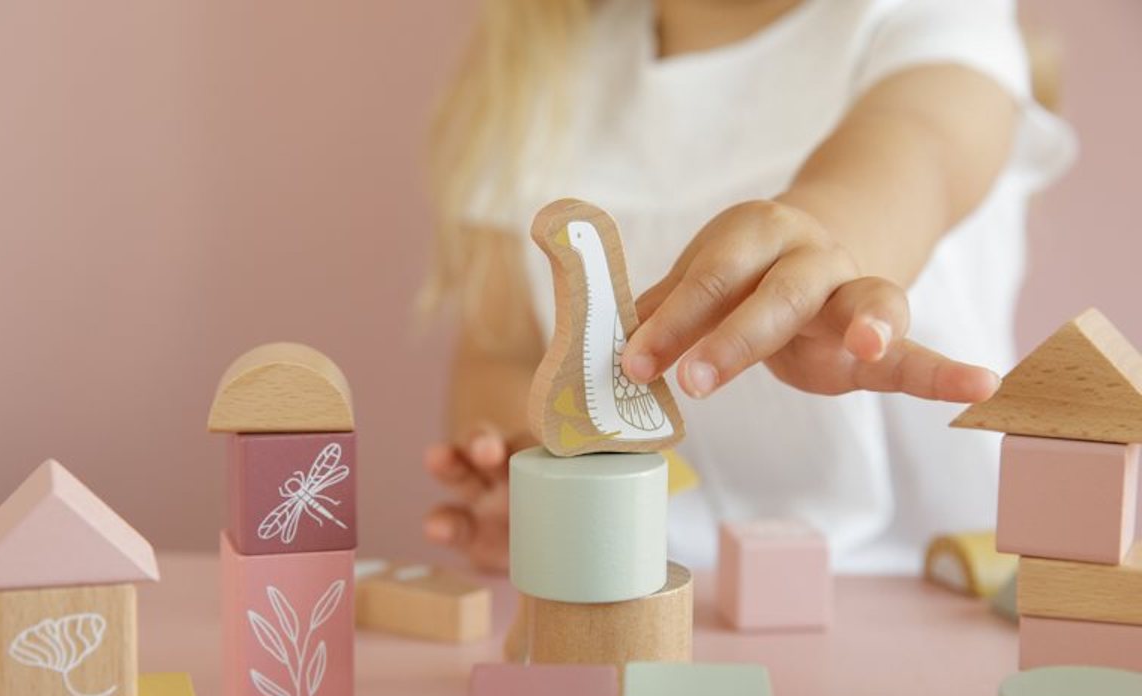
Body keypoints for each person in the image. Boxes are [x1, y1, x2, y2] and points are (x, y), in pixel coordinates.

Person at [418, 0, 1075, 573]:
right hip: (646, 581)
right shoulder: (547, 77)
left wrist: (818, 251)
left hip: (927, 582)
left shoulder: (931, 19)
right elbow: (504, 353)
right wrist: (525, 475)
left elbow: (919, 152)